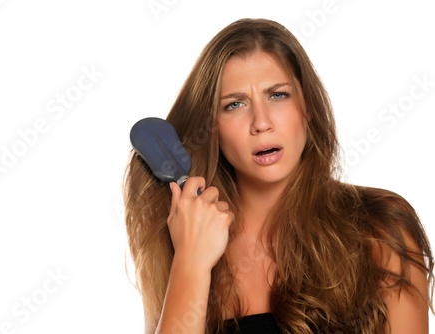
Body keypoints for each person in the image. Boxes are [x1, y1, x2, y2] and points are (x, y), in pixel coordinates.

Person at [123, 18, 434, 333]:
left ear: (308, 107)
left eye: (277, 95)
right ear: (213, 127)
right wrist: (191, 261)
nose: (261, 122)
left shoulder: (381, 230)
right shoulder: (178, 241)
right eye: (234, 104)